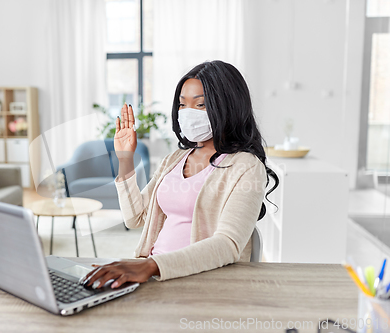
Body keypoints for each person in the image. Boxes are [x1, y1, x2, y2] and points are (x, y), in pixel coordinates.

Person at [79, 60, 279, 290]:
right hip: (153, 276)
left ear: (227, 106)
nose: (187, 113)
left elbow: (227, 244)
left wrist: (152, 266)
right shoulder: (174, 159)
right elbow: (135, 218)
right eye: (182, 105)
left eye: (200, 104)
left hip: (199, 283)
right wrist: (125, 159)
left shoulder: (246, 166)